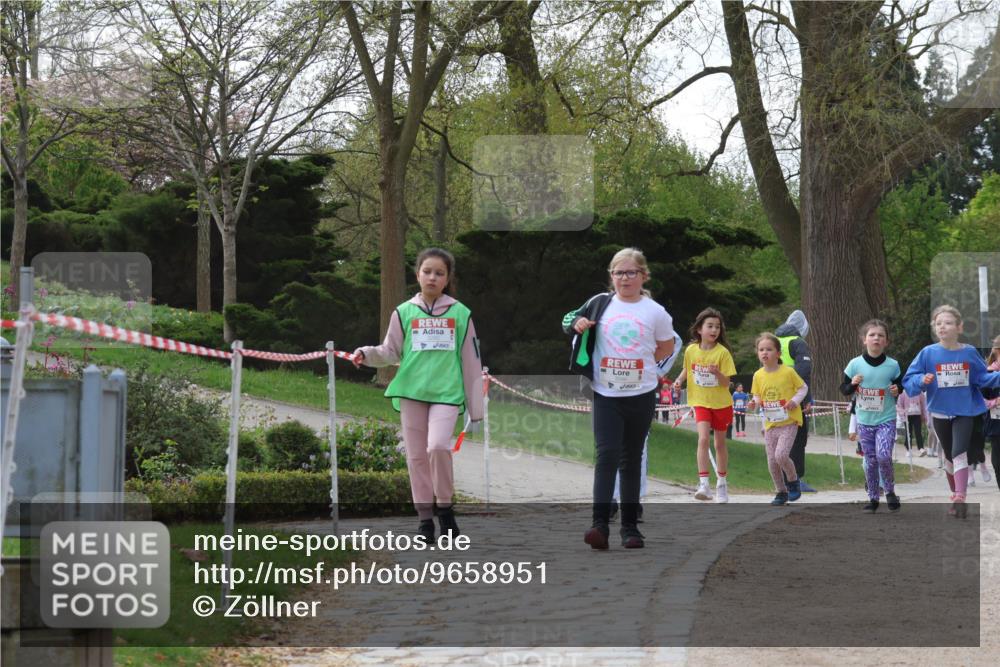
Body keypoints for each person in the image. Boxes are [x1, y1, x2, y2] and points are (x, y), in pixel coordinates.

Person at [353, 248, 483, 541]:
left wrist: (476, 411)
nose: (432, 278)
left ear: (447, 279)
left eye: (439, 273)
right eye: (427, 272)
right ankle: (425, 520)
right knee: (415, 457)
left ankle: (446, 510)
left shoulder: (461, 314)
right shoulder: (403, 312)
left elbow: (472, 362)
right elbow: (389, 351)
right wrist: (365, 354)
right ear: (418, 275)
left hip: (446, 394)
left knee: (437, 447)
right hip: (412, 392)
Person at [563, 247, 675, 549]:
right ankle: (599, 525)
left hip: (640, 394)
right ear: (611, 277)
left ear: (643, 275)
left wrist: (644, 363)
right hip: (606, 393)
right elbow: (569, 321)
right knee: (607, 455)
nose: (624, 278)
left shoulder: (655, 311)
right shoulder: (600, 304)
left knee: (631, 459)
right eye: (618, 273)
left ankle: (629, 528)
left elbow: (666, 345)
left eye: (631, 273)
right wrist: (578, 324)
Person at [902, 306, 1000, 518]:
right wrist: (921, 380)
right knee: (949, 456)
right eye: (938, 324)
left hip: (964, 411)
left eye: (947, 323)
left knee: (958, 452)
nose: (942, 327)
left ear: (959, 327)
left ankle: (960, 497)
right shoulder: (927, 353)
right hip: (939, 412)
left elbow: (982, 378)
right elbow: (909, 381)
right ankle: (955, 495)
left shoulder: (969, 352)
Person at [610, 334, 683, 521]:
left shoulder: (651, 315)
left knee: (637, 449)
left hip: (641, 392)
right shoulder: (604, 309)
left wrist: (655, 371)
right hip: (610, 390)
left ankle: (633, 501)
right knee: (610, 447)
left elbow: (674, 341)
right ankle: (609, 498)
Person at [673, 308, 736, 503]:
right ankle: (704, 484)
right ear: (699, 329)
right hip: (700, 402)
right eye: (710, 326)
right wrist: (678, 380)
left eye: (717, 327)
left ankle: (722, 483)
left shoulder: (723, 353)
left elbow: (727, 383)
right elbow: (686, 368)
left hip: (721, 404)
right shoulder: (691, 349)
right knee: (702, 440)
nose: (714, 330)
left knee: (719, 443)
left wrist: (717, 373)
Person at [840, 319, 903, 512]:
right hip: (865, 421)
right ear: (864, 340)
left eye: (880, 335)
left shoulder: (893, 365)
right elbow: (844, 389)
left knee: (883, 456)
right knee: (870, 460)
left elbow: (900, 386)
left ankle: (890, 491)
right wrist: (853, 384)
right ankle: (873, 498)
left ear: (886, 342)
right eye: (872, 335)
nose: (876, 338)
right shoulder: (854, 364)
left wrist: (897, 389)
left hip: (886, 419)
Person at [747, 332, 807, 506]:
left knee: (781, 455)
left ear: (778, 354)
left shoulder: (788, 372)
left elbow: (802, 388)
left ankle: (793, 481)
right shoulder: (758, 375)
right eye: (761, 350)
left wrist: (794, 402)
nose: (765, 353)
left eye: (769, 349)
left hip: (789, 422)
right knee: (772, 461)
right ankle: (781, 492)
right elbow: (758, 396)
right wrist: (754, 403)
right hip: (770, 424)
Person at [775, 310, 816, 492]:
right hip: (795, 399)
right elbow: (804, 370)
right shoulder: (798, 343)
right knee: (798, 438)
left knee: (779, 439)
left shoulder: (774, 342)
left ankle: (781, 480)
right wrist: (807, 398)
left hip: (774, 397)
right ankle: (795, 479)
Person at [980, 335, 1000, 491]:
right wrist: (995, 401)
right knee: (998, 462)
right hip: (996, 424)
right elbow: (980, 401)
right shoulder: (988, 373)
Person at [896, 387, 929, 457]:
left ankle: (921, 448)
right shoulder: (903, 393)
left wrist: (924, 416)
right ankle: (908, 449)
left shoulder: (919, 392)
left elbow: (923, 404)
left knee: (918, 432)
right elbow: (899, 405)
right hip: (907, 416)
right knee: (908, 433)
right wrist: (902, 414)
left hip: (917, 415)